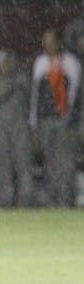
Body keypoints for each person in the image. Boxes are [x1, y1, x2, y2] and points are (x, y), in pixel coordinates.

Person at [29, 29, 81, 207]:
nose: (47, 45)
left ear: (59, 42)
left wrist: (69, 117)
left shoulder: (71, 63)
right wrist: (34, 123)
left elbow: (74, 95)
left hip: (65, 121)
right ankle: (52, 202)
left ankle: (66, 201)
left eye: (50, 41)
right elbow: (36, 95)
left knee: (66, 163)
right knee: (50, 163)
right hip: (46, 121)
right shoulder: (40, 63)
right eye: (45, 42)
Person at [0, 48, 34, 207]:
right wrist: (12, 85)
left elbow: (29, 98)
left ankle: (26, 201)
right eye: (4, 62)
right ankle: (4, 202)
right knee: (4, 167)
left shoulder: (23, 79)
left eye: (9, 61)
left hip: (20, 128)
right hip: (2, 129)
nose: (7, 65)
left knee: (24, 165)